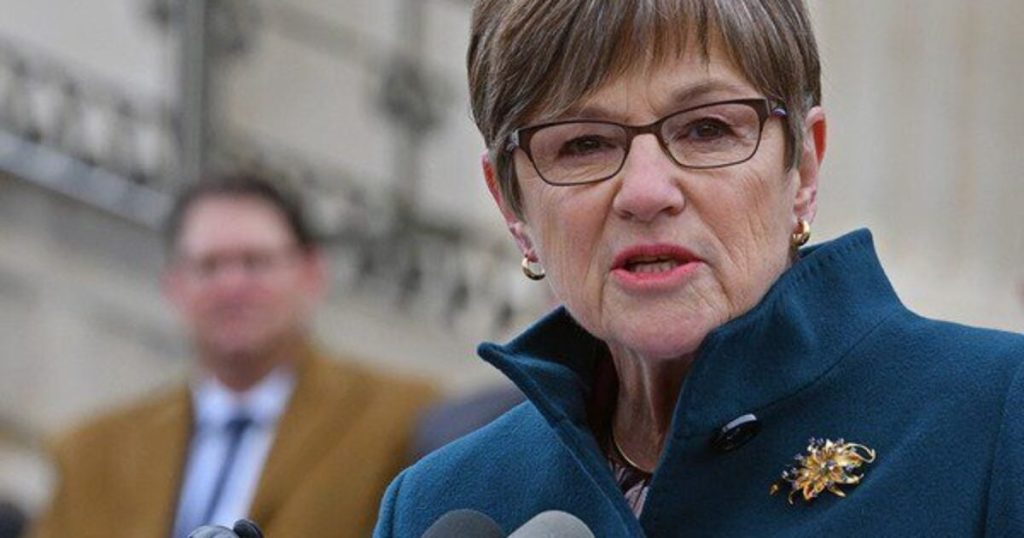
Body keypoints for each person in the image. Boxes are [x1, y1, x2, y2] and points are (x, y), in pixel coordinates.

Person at [373, 1, 1024, 536]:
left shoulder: (994, 413)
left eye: (707, 129)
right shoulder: (440, 500)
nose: (646, 192)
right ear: (511, 205)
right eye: (583, 143)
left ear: (803, 168)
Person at [30, 173, 436, 538]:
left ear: (311, 273)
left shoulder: (402, 419)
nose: (232, 286)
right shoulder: (91, 453)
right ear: (174, 285)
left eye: (255, 262)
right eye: (209, 266)